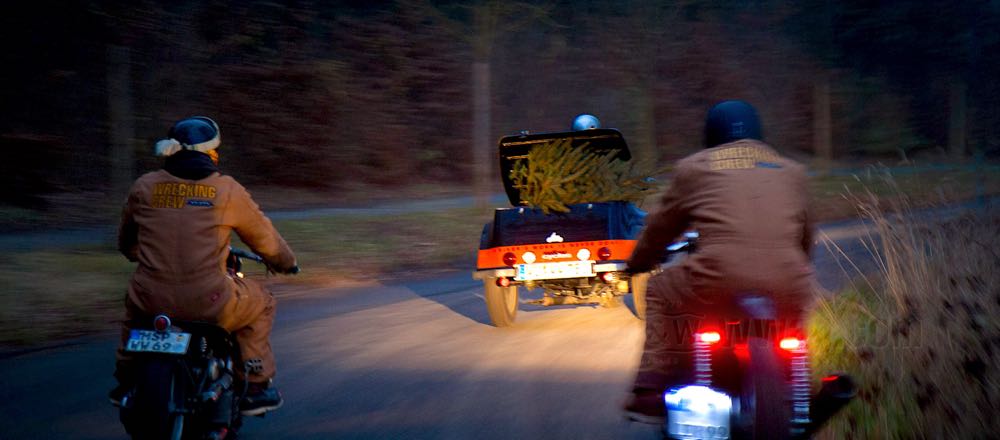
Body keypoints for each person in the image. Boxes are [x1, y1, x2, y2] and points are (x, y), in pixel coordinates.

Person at [622, 100, 816, 423]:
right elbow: (806, 236)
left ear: (711, 134)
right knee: (792, 323)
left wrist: (638, 263)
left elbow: (661, 228)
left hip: (718, 277)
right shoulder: (793, 172)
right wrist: (796, 269)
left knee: (658, 287)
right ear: (758, 133)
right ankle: (801, 387)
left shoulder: (695, 168)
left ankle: (650, 386)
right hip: (788, 277)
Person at [111, 116, 298, 416]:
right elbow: (265, 239)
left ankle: (127, 378)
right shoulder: (226, 190)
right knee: (261, 302)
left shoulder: (144, 186)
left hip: (150, 298)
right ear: (211, 153)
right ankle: (254, 383)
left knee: (136, 313)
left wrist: (140, 254)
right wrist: (286, 263)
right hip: (210, 301)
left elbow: (126, 242)